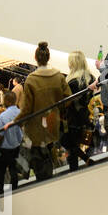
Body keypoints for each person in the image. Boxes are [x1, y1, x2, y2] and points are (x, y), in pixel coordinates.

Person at [19, 42, 68, 183]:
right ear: (49, 57)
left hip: (36, 129)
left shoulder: (31, 80)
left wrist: (15, 121)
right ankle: (51, 178)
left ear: (35, 58)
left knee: (38, 159)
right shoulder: (58, 76)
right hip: (53, 123)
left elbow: (26, 109)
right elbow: (67, 99)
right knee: (50, 151)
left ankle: (44, 182)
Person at [62, 51, 95, 172]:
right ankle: (83, 162)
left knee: (68, 143)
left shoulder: (72, 82)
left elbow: (69, 103)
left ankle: (84, 161)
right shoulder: (91, 78)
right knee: (73, 145)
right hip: (85, 115)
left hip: (72, 118)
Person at [0, 87, 24, 192]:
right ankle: (15, 189)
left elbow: (0, 135)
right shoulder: (20, 112)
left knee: (0, 172)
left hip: (5, 149)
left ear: (8, 101)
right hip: (17, 146)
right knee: (13, 168)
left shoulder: (3, 116)